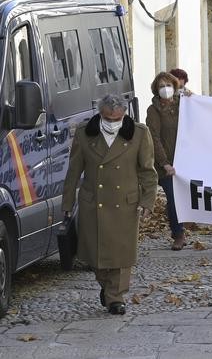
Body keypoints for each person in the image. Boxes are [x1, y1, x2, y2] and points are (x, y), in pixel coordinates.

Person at [62, 94, 158, 315]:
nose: (113, 122)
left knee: (122, 253)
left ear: (124, 114)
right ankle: (106, 286)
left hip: (125, 202)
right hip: (93, 202)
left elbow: (147, 171)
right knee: (95, 254)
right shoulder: (86, 133)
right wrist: (67, 203)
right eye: (108, 118)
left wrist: (147, 202)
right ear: (100, 114)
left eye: (117, 118)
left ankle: (116, 297)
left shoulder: (139, 133)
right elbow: (74, 170)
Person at [145, 72, 187, 250]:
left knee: (185, 196)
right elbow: (153, 137)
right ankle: (178, 234)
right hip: (165, 164)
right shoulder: (153, 110)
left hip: (185, 159)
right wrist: (164, 163)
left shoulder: (183, 104)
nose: (165, 89)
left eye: (168, 85)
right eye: (161, 86)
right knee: (173, 196)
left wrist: (192, 96)